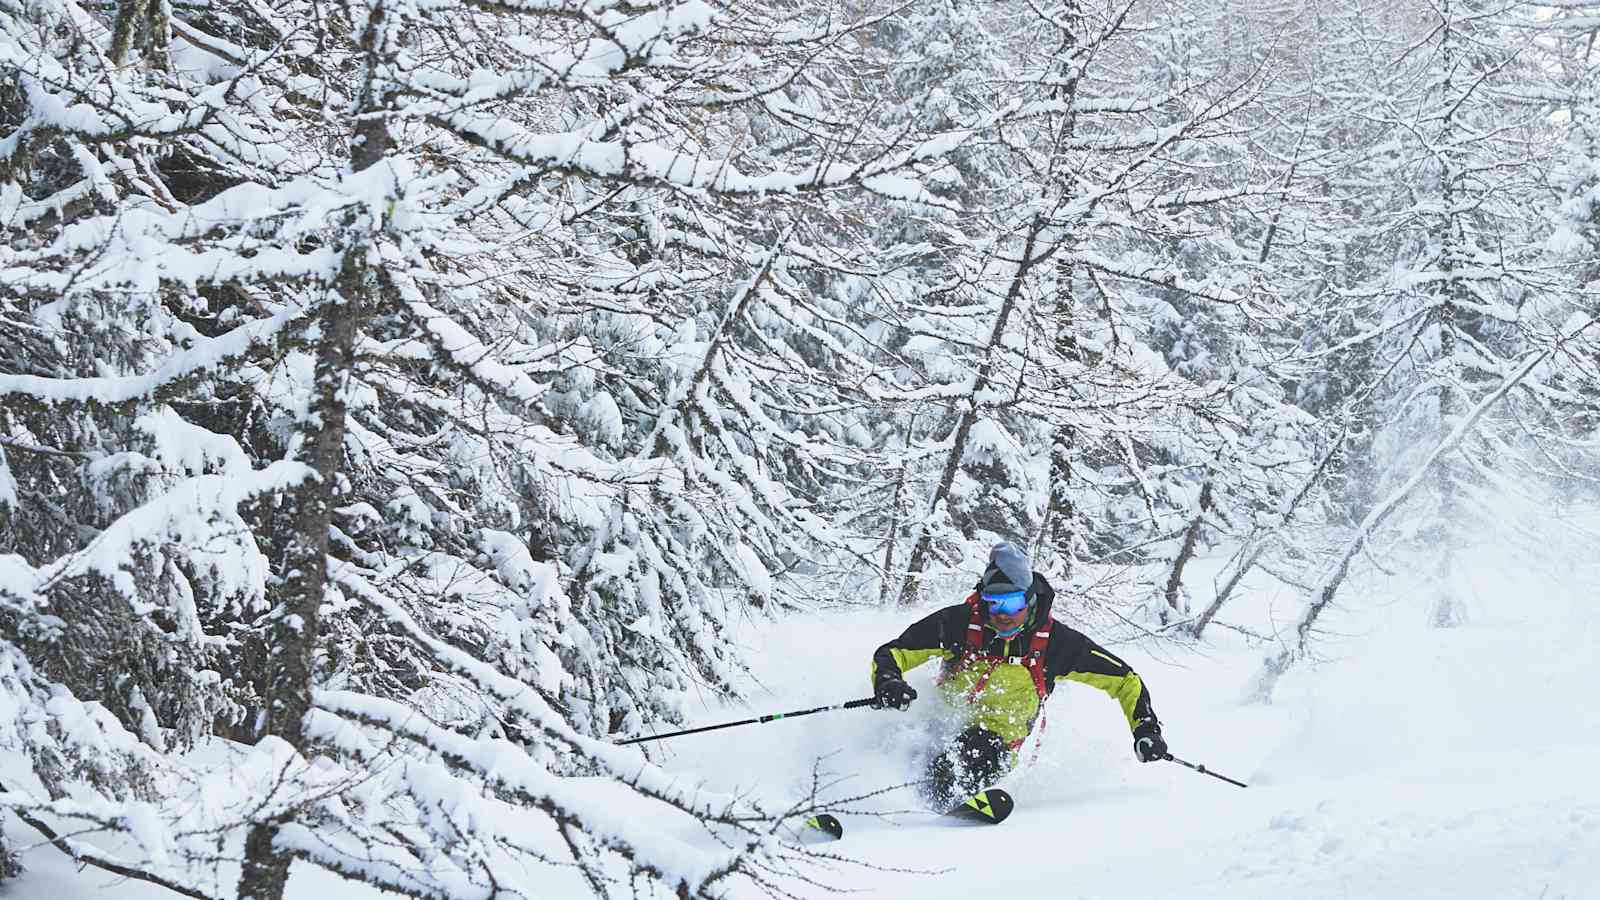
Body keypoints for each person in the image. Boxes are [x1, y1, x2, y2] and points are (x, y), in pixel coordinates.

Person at [870, 541, 1168, 808]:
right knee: (895, 744)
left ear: (1029, 599)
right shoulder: (959, 624)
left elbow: (1125, 680)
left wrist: (1146, 729)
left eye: (1012, 603)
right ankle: (871, 806)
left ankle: (930, 819)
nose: (1002, 613)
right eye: (993, 603)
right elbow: (892, 653)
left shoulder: (1057, 644)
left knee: (973, 754)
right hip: (937, 725)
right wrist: (889, 681)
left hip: (995, 741)